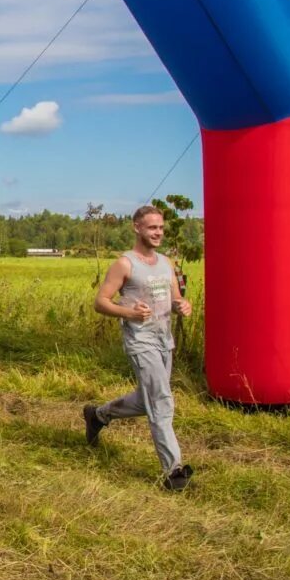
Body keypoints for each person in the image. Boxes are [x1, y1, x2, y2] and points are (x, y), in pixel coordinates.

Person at [83, 205, 194, 491]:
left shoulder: (166, 263)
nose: (158, 233)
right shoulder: (125, 264)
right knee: (161, 401)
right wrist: (129, 313)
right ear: (136, 227)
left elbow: (174, 299)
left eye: (160, 228)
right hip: (140, 341)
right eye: (151, 228)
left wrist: (182, 306)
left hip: (163, 339)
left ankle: (98, 416)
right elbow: (101, 302)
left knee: (149, 401)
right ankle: (174, 472)